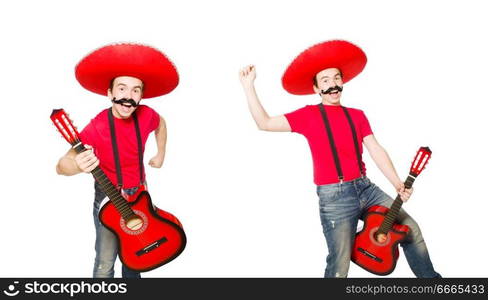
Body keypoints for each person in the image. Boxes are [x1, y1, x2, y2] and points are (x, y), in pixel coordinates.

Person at [238, 40, 440, 278]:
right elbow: (265, 123)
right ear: (316, 88)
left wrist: (397, 183)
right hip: (335, 197)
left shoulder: (357, 115)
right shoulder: (308, 116)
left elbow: (375, 149)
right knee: (339, 264)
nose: (333, 85)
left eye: (336, 78)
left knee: (411, 230)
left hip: (366, 188)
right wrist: (248, 86)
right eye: (325, 81)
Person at [56, 43, 179, 278]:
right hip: (108, 199)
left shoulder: (146, 115)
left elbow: (161, 124)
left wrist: (160, 154)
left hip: (140, 194)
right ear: (110, 93)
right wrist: (75, 165)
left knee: (136, 257)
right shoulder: (98, 126)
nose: (128, 98)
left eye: (136, 91)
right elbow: (62, 165)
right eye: (122, 89)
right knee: (105, 261)